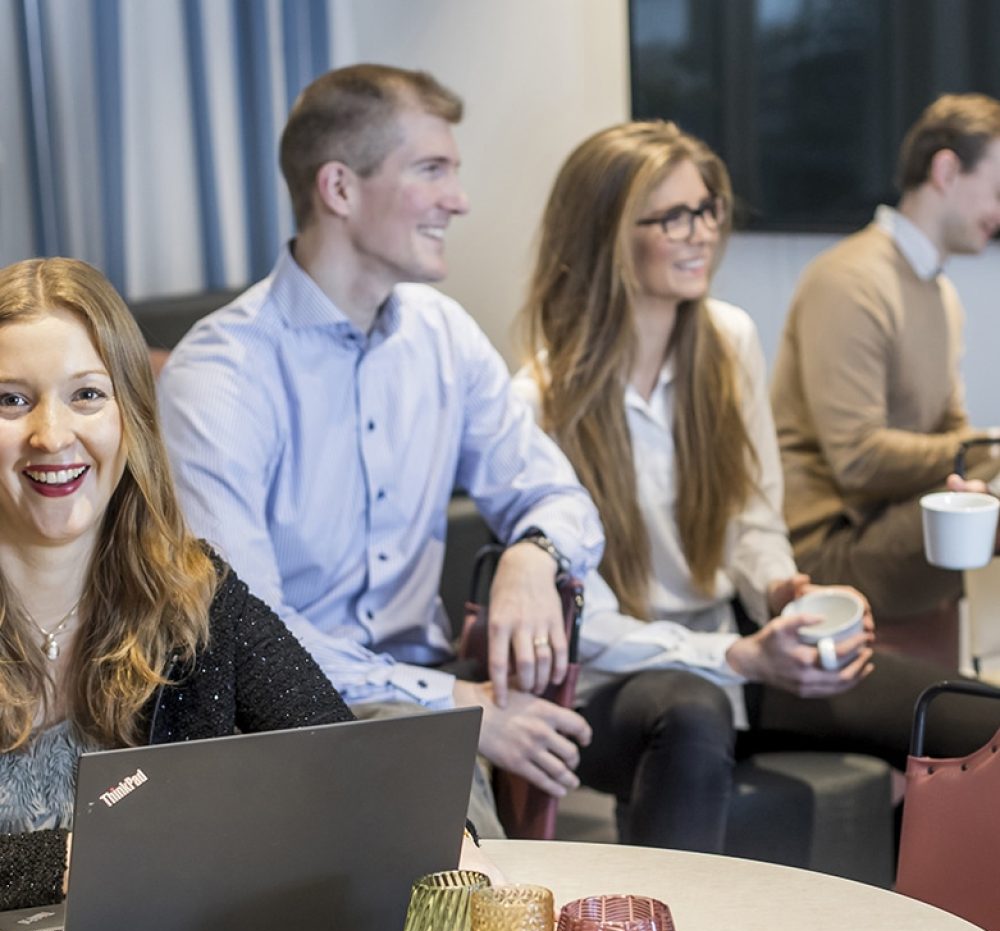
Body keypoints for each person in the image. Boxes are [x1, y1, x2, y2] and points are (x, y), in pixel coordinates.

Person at [515, 120, 1000, 851]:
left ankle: (925, 926)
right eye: (673, 216)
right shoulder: (538, 399)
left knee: (970, 714)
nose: (701, 233)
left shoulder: (727, 340)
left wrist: (783, 594)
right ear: (606, 233)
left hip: (730, 647)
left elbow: (751, 519)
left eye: (707, 209)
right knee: (692, 713)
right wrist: (736, 660)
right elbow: (586, 625)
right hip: (613, 681)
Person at [157, 64, 603, 837]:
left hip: (434, 684)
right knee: (465, 860)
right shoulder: (219, 375)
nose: (458, 200)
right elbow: (252, 637)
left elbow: (560, 498)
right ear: (339, 188)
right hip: (293, 711)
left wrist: (534, 554)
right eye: (432, 169)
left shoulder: (442, 332)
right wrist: (460, 710)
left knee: (674, 713)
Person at [0, 256, 494, 912]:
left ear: (131, 417)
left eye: (87, 394)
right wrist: (75, 857)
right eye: (12, 399)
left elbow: (340, 762)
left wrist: (445, 851)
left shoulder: (193, 594)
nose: (52, 434)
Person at [771, 93, 1000, 623]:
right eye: (996, 188)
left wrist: (980, 460)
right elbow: (858, 459)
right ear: (946, 169)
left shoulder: (941, 297)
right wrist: (988, 448)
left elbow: (955, 438)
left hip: (894, 519)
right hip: (830, 545)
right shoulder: (850, 281)